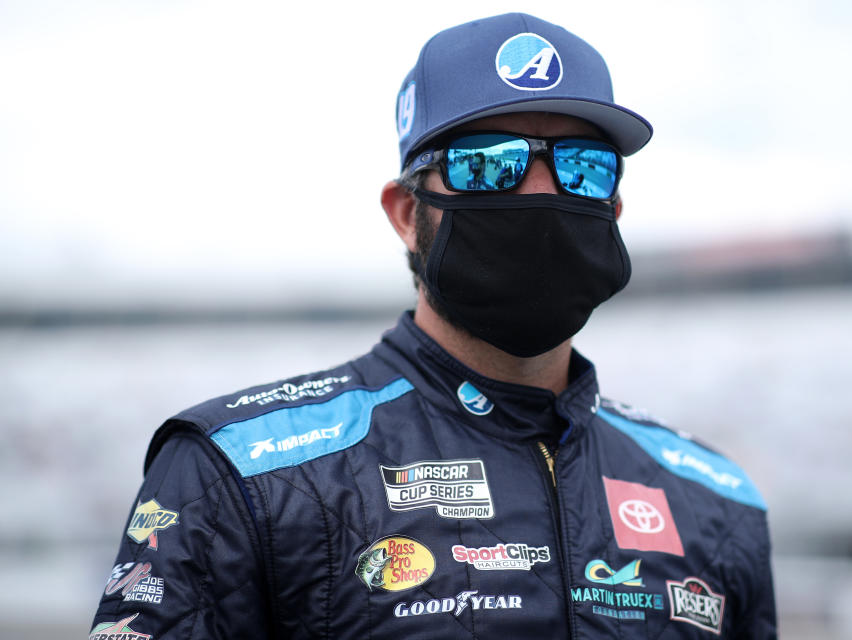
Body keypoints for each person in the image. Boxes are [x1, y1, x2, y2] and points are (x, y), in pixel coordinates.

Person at [91, 13, 777, 639]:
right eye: (488, 164)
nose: (541, 194)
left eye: (583, 166)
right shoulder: (243, 474)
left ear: (615, 205)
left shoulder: (715, 500)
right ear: (405, 211)